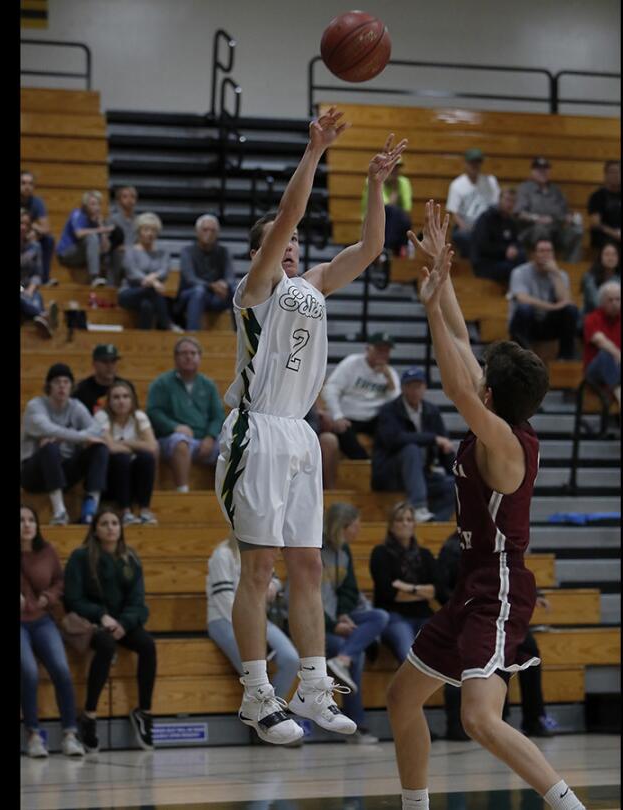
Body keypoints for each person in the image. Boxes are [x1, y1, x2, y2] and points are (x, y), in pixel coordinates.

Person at [385, 200, 585, 810]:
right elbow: (465, 347)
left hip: (498, 584)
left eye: (483, 379)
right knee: (400, 699)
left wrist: (428, 312)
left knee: (478, 717)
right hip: (474, 583)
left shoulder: (501, 441)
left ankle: (568, 805)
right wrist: (442, 274)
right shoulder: (503, 413)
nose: (477, 375)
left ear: (490, 395)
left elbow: (452, 380)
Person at [216, 106, 407, 745]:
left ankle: (316, 686)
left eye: (295, 241)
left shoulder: (315, 285)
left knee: (308, 568)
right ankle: (256, 693)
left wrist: (376, 184)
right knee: (259, 569)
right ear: (264, 250)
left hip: (298, 434)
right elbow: (289, 217)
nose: (292, 244)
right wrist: (316, 151)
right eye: (282, 239)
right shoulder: (255, 287)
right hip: (257, 432)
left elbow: (372, 248)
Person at [436, 530, 556, 741]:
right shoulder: (452, 547)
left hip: (501, 615)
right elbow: (442, 589)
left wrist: (535, 595)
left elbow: (513, 576)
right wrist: (466, 608)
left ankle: (534, 717)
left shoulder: (497, 542)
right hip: (469, 617)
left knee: (530, 650)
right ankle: (497, 717)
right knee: (492, 657)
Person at [63, 507, 157, 752]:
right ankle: (89, 715)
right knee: (105, 645)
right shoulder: (80, 557)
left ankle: (144, 713)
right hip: (92, 623)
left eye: (115, 523)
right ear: (95, 529)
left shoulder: (130, 558)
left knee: (147, 645)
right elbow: (73, 599)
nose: (111, 527)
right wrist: (101, 616)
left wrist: (124, 624)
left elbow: (138, 603)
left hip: (121, 623)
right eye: (104, 523)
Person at [316, 502, 391, 744]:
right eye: (356, 525)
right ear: (343, 526)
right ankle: (355, 724)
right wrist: (333, 625)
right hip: (316, 624)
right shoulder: (315, 551)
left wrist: (342, 614)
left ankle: (343, 659)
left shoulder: (344, 551)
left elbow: (349, 590)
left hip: (335, 617)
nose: (359, 530)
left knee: (379, 616)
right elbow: (308, 598)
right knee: (353, 655)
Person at [20, 504, 86, 758]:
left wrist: (48, 596)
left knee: (61, 669)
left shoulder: (47, 551)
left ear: (37, 526)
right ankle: (34, 735)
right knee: (28, 671)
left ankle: (70, 734)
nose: (26, 524)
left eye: (30, 520)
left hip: (42, 619)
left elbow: (60, 581)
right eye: (21, 520)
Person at [206, 536, 301, 708]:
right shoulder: (222, 554)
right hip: (223, 619)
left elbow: (276, 580)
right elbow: (223, 599)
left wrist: (273, 586)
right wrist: (252, 629)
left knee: (291, 659)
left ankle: (271, 712)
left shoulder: (260, 553)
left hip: (257, 617)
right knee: (257, 673)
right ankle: (264, 720)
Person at [20, 363, 110, 526]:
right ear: (49, 386)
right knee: (49, 448)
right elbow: (47, 428)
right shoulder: (36, 406)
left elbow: (96, 431)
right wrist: (79, 437)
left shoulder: (76, 406)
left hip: (65, 471)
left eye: (66, 382)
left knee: (100, 448)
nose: (62, 386)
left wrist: (63, 437)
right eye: (57, 382)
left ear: (71, 386)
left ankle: (90, 509)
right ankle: (60, 511)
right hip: (33, 473)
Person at [372, 368, 455, 523]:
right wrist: (432, 438)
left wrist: (458, 473)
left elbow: (445, 446)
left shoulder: (432, 411)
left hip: (422, 475)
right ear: (403, 388)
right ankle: (418, 506)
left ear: (425, 388)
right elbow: (394, 439)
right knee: (411, 449)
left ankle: (435, 524)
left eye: (419, 386)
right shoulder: (389, 410)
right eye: (411, 386)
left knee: (454, 485)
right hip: (391, 475)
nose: (415, 390)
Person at [148, 337, 226, 493]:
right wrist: (175, 427)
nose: (189, 356)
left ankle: (225, 493)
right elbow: (154, 412)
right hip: (172, 438)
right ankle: (183, 491)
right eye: (184, 353)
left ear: (199, 357)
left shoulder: (208, 384)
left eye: (193, 353)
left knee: (231, 446)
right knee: (181, 444)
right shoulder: (161, 383)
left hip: (204, 439)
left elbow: (218, 416)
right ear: (175, 358)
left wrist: (210, 437)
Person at [369, 501, 440, 666]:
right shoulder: (380, 553)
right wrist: (422, 591)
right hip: (394, 617)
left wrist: (409, 588)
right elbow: (389, 593)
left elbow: (436, 590)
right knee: (409, 657)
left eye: (409, 519)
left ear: (414, 524)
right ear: (391, 525)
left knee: (443, 649)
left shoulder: (425, 555)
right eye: (400, 520)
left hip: (424, 615)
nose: (405, 524)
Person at [321, 333, 400, 460]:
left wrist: (388, 379)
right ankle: (364, 463)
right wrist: (337, 415)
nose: (383, 354)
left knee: (392, 427)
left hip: (374, 418)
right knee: (341, 430)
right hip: (349, 416)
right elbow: (331, 389)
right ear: (368, 349)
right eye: (379, 350)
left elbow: (396, 404)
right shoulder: (351, 363)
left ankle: (382, 463)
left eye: (386, 351)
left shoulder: (390, 373)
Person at [93, 380, 159, 526]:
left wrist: (124, 443)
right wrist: (135, 447)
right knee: (121, 458)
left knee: (147, 458)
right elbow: (111, 447)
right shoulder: (101, 417)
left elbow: (152, 446)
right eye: (116, 397)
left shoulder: (139, 416)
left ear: (132, 399)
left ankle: (144, 510)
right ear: (109, 401)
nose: (121, 401)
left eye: (125, 396)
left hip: (133, 474)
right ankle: (125, 511)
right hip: (109, 476)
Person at [508, 238, 581, 362]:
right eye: (541, 251)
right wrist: (553, 306)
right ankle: (522, 359)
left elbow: (566, 301)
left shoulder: (560, 274)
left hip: (548, 324)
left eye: (549, 251)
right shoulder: (519, 272)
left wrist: (556, 274)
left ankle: (565, 358)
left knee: (571, 311)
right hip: (526, 323)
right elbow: (522, 299)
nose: (546, 254)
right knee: (524, 309)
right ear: (533, 254)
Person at [120, 212, 182, 332]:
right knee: (151, 291)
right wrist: (154, 282)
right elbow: (132, 273)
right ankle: (167, 324)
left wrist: (153, 278)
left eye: (153, 230)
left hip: (151, 294)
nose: (150, 234)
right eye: (146, 229)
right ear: (139, 231)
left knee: (147, 305)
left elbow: (164, 271)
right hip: (129, 292)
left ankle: (144, 339)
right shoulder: (130, 251)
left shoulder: (162, 252)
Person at [515, 157, 584, 262]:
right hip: (532, 230)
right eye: (539, 170)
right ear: (532, 172)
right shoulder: (525, 189)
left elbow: (565, 212)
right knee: (541, 230)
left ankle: (571, 267)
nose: (543, 172)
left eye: (545, 169)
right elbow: (519, 213)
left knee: (577, 231)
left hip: (556, 229)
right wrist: (536, 218)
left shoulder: (556, 190)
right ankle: (543, 265)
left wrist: (571, 218)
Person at [178, 214, 236, 331]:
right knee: (199, 291)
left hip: (217, 296)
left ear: (217, 233)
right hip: (190, 295)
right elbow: (190, 279)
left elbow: (230, 276)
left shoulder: (224, 251)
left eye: (213, 230)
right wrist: (212, 286)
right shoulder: (187, 251)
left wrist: (225, 284)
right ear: (197, 232)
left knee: (236, 290)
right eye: (205, 230)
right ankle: (192, 334)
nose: (209, 233)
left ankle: (241, 335)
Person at [445, 147, 499, 256]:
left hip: (487, 226)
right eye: (472, 162)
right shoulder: (457, 185)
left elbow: (496, 206)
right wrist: (465, 227)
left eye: (478, 162)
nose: (475, 165)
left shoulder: (491, 181)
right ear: (466, 163)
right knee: (462, 237)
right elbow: (453, 212)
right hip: (467, 227)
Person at [57, 190, 114, 286]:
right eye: (93, 204)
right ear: (85, 205)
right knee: (92, 237)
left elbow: (105, 248)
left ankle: (111, 284)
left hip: (83, 255)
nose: (96, 207)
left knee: (109, 251)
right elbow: (79, 233)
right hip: (66, 253)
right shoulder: (77, 214)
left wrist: (100, 225)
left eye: (98, 204)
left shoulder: (97, 221)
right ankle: (94, 277)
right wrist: (100, 230)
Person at [470, 188, 525, 283]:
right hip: (486, 262)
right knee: (513, 270)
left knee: (524, 260)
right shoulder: (486, 218)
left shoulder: (512, 222)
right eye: (507, 200)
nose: (510, 204)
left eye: (513, 201)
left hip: (505, 260)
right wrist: (505, 251)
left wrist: (514, 249)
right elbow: (483, 246)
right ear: (500, 200)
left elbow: (517, 242)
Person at [361, 156, 413, 255]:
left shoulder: (404, 182)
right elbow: (383, 209)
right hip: (372, 222)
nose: (395, 172)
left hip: (395, 225)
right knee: (392, 211)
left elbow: (407, 208)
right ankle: (389, 249)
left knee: (404, 218)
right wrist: (395, 191)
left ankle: (392, 250)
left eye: (397, 169)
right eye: (392, 169)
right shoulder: (373, 181)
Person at [582, 281, 621, 409]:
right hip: (594, 373)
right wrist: (617, 354)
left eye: (618, 299)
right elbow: (601, 341)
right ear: (602, 301)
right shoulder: (592, 318)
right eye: (610, 300)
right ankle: (618, 392)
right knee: (606, 354)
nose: (615, 303)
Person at [21, 209, 56, 338]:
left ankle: (41, 319)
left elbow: (37, 274)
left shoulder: (35, 246)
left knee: (36, 296)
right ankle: (43, 315)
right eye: (21, 223)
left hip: (26, 287)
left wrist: (30, 289)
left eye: (26, 224)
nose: (23, 227)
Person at [72, 343, 131, 415]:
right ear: (94, 364)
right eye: (105, 362)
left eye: (113, 362)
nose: (110, 366)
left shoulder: (126, 387)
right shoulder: (81, 390)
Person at [21, 169, 55, 283]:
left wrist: (32, 231)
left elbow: (46, 229)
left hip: (28, 235)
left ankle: (44, 279)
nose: (27, 187)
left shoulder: (37, 202)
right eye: (23, 183)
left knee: (49, 240)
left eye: (30, 183)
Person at [107, 185, 140, 283]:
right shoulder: (112, 219)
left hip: (134, 254)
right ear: (118, 200)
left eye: (132, 197)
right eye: (125, 197)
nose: (129, 200)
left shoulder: (139, 220)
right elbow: (112, 245)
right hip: (117, 255)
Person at [587, 161, 621, 253]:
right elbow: (595, 223)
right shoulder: (597, 196)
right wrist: (615, 234)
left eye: (618, 172)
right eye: (612, 172)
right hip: (604, 234)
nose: (616, 175)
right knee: (611, 245)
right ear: (605, 175)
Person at [581, 243, 621, 315]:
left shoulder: (618, 277)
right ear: (600, 257)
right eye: (607, 254)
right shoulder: (589, 277)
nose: (611, 258)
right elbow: (596, 303)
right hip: (592, 317)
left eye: (614, 255)